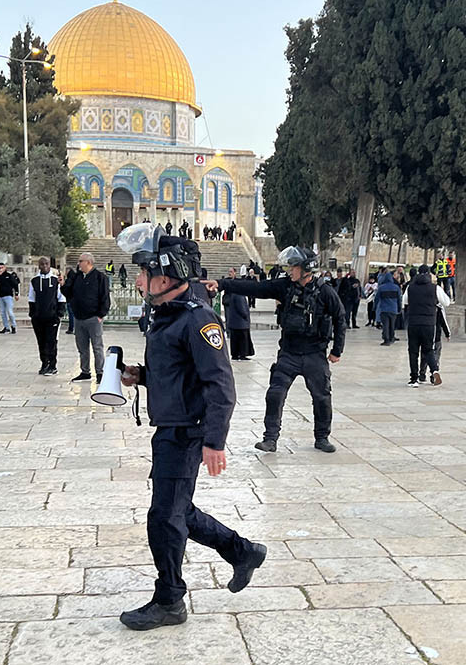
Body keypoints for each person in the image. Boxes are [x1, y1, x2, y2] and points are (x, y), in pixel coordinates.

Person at [116, 222, 266, 630]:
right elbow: (173, 373)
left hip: (188, 432)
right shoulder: (165, 315)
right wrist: (138, 375)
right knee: (177, 510)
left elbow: (221, 385)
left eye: (145, 272)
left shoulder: (200, 321)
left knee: (164, 518)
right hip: (168, 429)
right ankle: (243, 552)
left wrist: (214, 442)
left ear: (168, 274)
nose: (140, 280)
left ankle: (170, 600)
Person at [205, 246, 345, 453]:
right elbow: (255, 289)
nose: (289, 270)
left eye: (293, 267)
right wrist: (223, 284)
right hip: (288, 353)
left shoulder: (325, 291)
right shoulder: (285, 287)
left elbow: (340, 318)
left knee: (322, 397)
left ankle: (322, 437)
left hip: (315, 354)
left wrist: (337, 350)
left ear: (306, 268)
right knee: (275, 395)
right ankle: (270, 439)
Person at [63, 252, 110, 382]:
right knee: (82, 347)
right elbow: (68, 293)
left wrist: (101, 314)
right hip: (79, 318)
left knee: (97, 346)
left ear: (88, 262)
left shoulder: (100, 277)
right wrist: (64, 283)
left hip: (93, 318)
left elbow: (105, 297)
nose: (78, 264)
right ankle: (85, 371)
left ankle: (100, 372)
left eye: (80, 261)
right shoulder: (77, 277)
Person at [403, 264, 442, 387]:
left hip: (414, 323)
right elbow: (445, 301)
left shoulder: (410, 287)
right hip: (429, 323)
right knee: (428, 349)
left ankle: (414, 379)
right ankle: (434, 370)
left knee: (413, 351)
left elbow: (404, 301)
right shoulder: (434, 288)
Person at [28, 257, 66, 376]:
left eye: (46, 264)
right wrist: (33, 314)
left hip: (52, 317)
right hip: (38, 317)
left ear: (50, 265)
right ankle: (44, 363)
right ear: (38, 266)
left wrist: (59, 313)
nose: (44, 266)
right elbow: (31, 298)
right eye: (42, 264)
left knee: (51, 341)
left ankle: (52, 365)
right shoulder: (34, 281)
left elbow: (61, 297)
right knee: (41, 341)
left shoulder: (55, 281)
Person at [418, 277, 451, 383]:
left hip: (425, 333)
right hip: (435, 335)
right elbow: (443, 322)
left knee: (424, 354)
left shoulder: (424, 306)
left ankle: (422, 373)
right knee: (435, 355)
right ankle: (434, 374)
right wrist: (447, 333)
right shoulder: (439, 308)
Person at [223, 268, 254, 361]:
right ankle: (242, 354)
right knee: (242, 339)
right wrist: (245, 316)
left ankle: (235, 354)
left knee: (235, 339)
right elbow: (241, 308)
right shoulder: (239, 294)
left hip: (235, 321)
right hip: (240, 322)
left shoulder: (234, 293)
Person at [0, 263, 20, 334]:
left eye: (2, 267)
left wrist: (16, 294)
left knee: (10, 312)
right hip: (1, 296)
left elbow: (15, 284)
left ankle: (13, 326)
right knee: (2, 312)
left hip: (8, 296)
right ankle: (6, 327)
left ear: (5, 267)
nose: (0, 269)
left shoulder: (9, 276)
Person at [375, 271, 400, 345]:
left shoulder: (381, 288)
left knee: (385, 325)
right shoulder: (396, 287)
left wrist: (375, 307)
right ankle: (392, 338)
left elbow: (377, 299)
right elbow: (399, 299)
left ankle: (386, 340)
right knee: (392, 325)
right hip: (393, 309)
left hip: (384, 309)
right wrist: (399, 308)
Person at [62, 263, 78, 335]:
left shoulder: (70, 279)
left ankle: (72, 328)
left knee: (71, 315)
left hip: (70, 299)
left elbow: (67, 288)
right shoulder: (76, 277)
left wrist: (62, 286)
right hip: (76, 299)